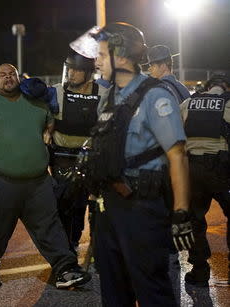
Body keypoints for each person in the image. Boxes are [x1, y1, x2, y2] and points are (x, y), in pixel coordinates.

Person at [88, 23, 194, 306]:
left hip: (142, 209)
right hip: (108, 207)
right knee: (113, 291)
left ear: (121, 56)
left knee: (151, 290)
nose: (96, 60)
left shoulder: (155, 96)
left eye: (101, 53)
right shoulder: (109, 98)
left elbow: (177, 155)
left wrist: (181, 214)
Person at [0, 63, 91, 289]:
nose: (8, 78)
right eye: (2, 75)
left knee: (50, 226)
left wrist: (48, 130)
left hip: (38, 180)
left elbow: (50, 119)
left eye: (11, 74)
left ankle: (66, 269)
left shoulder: (36, 102)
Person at [180, 73, 230, 286]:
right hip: (223, 171)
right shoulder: (228, 104)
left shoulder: (188, 103)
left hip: (192, 170)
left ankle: (200, 270)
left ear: (207, 87)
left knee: (194, 220)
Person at [48, 51, 100, 251]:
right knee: (64, 205)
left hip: (91, 159)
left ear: (88, 73)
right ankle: (67, 248)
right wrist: (47, 128)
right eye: (68, 68)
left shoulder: (103, 93)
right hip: (62, 158)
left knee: (91, 204)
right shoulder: (55, 92)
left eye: (76, 69)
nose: (70, 73)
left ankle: (96, 248)